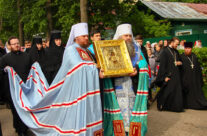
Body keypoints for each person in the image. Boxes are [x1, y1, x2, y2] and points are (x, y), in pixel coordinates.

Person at [108, 24, 148, 135]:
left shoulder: (137, 49)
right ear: (120, 36)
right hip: (117, 87)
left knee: (133, 113)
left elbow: (144, 64)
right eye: (126, 35)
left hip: (132, 87)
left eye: (130, 35)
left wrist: (137, 68)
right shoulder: (112, 49)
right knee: (118, 115)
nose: (129, 38)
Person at [0, 36, 33, 136]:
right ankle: (19, 130)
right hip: (13, 90)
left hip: (25, 88)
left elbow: (32, 70)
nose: (16, 45)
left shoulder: (26, 56)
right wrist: (4, 70)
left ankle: (25, 127)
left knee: (25, 109)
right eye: (14, 44)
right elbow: (0, 71)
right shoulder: (5, 58)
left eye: (17, 43)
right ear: (9, 46)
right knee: (16, 111)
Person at [155, 37, 183, 112]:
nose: (177, 46)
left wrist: (179, 62)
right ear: (172, 42)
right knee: (167, 91)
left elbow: (180, 60)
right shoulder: (165, 51)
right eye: (176, 44)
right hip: (168, 75)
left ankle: (176, 107)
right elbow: (163, 66)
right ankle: (164, 106)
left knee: (176, 91)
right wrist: (164, 77)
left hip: (176, 74)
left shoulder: (176, 51)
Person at [180, 42, 207, 110]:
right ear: (184, 48)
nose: (187, 50)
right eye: (186, 48)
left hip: (195, 80)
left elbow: (198, 69)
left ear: (191, 49)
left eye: (189, 48)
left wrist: (200, 79)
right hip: (186, 79)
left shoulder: (194, 57)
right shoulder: (181, 57)